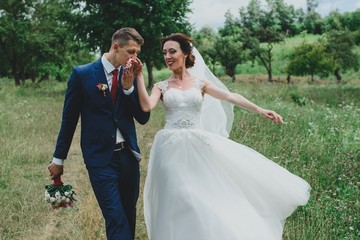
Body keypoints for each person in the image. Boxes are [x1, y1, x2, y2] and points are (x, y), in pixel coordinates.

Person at [133, 33, 311, 240]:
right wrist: (138, 76)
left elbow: (230, 96)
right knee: (178, 195)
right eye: (165, 53)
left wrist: (260, 109)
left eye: (172, 51)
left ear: (185, 53)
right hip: (170, 148)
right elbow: (147, 105)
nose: (168, 56)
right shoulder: (161, 86)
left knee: (201, 196)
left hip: (197, 146)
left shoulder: (200, 84)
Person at [47, 27, 150, 240]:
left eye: (137, 53)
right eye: (131, 52)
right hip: (100, 160)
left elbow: (143, 118)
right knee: (115, 216)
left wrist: (129, 88)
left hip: (128, 157)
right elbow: (69, 120)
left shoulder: (128, 75)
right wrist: (58, 159)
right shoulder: (82, 75)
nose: (135, 58)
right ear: (116, 47)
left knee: (128, 215)